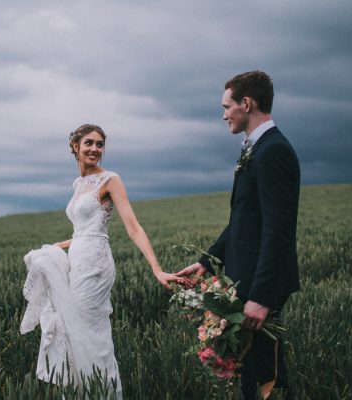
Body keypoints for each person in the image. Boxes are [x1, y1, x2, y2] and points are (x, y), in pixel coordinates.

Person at [20, 124, 180, 399]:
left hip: (96, 264)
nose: (95, 149)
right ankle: (81, 393)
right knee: (72, 328)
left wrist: (156, 267)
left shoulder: (110, 180)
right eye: (89, 143)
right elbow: (81, 231)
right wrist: (58, 246)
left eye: (100, 144)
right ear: (75, 147)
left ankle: (103, 392)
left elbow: (133, 227)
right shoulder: (78, 184)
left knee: (90, 332)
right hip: (78, 257)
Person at [176, 71, 300, 399]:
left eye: (227, 106)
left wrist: (261, 296)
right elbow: (242, 222)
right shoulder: (255, 149)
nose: (223, 114)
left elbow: (278, 231)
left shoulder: (273, 151)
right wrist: (207, 261)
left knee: (268, 377)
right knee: (246, 373)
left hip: (261, 287)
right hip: (246, 280)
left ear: (247, 103)